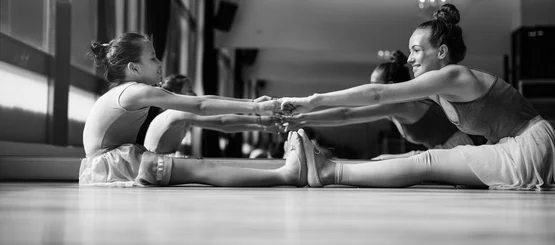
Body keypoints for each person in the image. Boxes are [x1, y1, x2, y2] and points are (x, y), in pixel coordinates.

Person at [276, 4, 555, 191]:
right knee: (426, 161)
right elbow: (358, 110)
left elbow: (379, 93)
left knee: (428, 161)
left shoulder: (454, 75)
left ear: (441, 52)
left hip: (530, 146)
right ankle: (330, 169)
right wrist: (305, 113)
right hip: (516, 146)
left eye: (417, 51)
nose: (411, 61)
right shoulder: (439, 90)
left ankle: (329, 171)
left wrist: (313, 100)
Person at [79, 32, 306, 187]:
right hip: (113, 164)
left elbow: (209, 111)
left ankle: (284, 174)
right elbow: (201, 105)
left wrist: (257, 111)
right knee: (202, 169)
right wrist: (258, 107)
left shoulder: (124, 90)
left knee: (200, 167)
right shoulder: (135, 91)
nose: (160, 64)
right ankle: (285, 175)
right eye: (153, 58)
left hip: (110, 162)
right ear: (134, 67)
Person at [282, 50, 473, 160]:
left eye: (375, 86)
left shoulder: (400, 105)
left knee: (383, 161)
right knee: (383, 160)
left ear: (390, 87)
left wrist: (302, 118)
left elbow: (347, 114)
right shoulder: (394, 108)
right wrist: (302, 119)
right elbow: (348, 114)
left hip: (458, 149)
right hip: (442, 151)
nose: (369, 91)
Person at [144, 74, 282, 155]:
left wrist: (253, 106)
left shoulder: (177, 114)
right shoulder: (175, 112)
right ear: (176, 94)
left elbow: (221, 124)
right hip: (154, 167)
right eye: (190, 90)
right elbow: (221, 120)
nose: (195, 94)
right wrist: (261, 121)